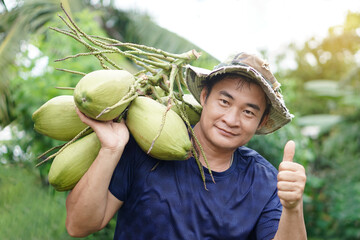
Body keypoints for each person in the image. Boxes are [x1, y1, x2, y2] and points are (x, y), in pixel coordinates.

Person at [65, 52, 307, 240]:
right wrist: (111, 149)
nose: (231, 120)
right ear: (204, 97)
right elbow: (78, 225)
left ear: (261, 121)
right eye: (224, 101)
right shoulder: (148, 144)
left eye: (248, 112)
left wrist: (293, 207)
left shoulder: (263, 182)